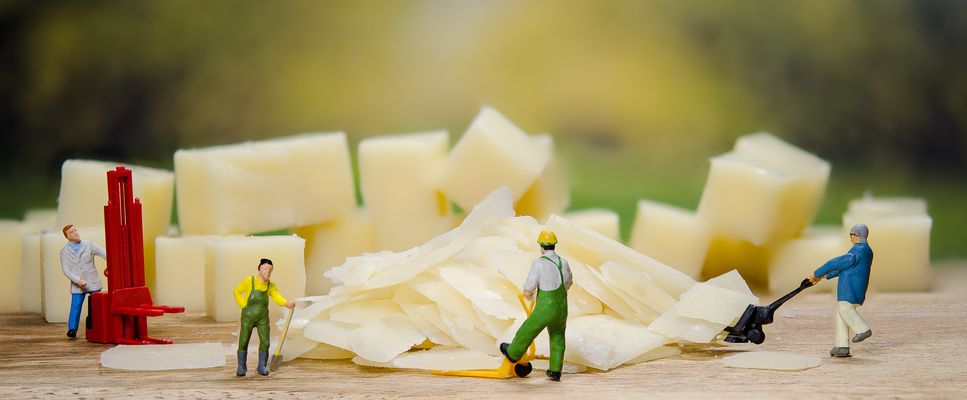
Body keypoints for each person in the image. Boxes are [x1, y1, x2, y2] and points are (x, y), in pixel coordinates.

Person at [500, 230, 572, 381]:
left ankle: (513, 353)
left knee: (528, 329)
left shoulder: (539, 263)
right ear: (554, 245)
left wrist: (528, 295)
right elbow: (568, 282)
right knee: (558, 337)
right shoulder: (563, 262)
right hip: (562, 307)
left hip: (546, 307)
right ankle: (555, 371)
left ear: (541, 246)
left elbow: (529, 286)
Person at [809, 224, 874, 357]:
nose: (850, 237)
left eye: (851, 234)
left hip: (850, 288)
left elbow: (837, 262)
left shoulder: (858, 250)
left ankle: (863, 329)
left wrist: (817, 273)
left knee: (845, 310)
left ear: (857, 235)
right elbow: (846, 267)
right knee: (841, 314)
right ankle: (842, 345)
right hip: (854, 286)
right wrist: (826, 276)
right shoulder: (865, 251)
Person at [234, 258, 295, 376]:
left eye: (270, 269)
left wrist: (286, 303)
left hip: (263, 318)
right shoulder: (249, 281)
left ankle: (261, 365)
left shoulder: (271, 286)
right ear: (259, 269)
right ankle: (241, 366)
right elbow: (236, 291)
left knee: (265, 342)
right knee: (243, 340)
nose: (267, 271)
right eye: (265, 268)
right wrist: (243, 305)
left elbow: (277, 297)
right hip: (248, 317)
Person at [59, 224, 106, 339]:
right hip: (78, 285)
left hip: (92, 281)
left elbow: (104, 253)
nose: (75, 233)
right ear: (68, 236)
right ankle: (72, 329)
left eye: (75, 230)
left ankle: (98, 327)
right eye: (72, 232)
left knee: (97, 305)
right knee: (75, 306)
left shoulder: (89, 245)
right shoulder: (64, 251)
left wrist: (112, 261)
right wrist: (77, 280)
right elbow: (66, 270)